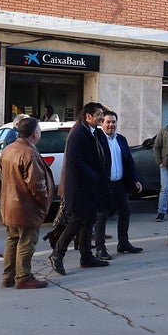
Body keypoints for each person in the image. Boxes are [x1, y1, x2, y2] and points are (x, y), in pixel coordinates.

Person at [48, 102, 109, 275]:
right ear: (87, 116)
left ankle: (86, 257)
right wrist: (93, 175)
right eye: (98, 114)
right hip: (80, 187)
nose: (101, 117)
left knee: (89, 221)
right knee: (78, 220)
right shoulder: (78, 133)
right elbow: (75, 161)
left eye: (101, 113)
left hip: (91, 187)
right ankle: (57, 254)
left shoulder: (94, 132)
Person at [0, 117, 54, 288]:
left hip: (9, 203)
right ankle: (23, 277)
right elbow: (36, 185)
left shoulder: (8, 149)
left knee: (13, 239)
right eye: (38, 129)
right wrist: (45, 203)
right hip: (25, 205)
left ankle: (8, 275)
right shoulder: (29, 153)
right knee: (26, 241)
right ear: (34, 133)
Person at [93, 110, 144, 259]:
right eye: (108, 122)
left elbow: (129, 161)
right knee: (101, 216)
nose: (111, 125)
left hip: (120, 184)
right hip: (104, 185)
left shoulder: (121, 139)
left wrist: (136, 179)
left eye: (113, 122)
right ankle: (100, 248)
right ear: (102, 123)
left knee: (125, 211)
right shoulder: (97, 139)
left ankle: (123, 243)